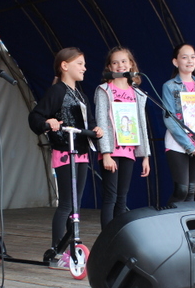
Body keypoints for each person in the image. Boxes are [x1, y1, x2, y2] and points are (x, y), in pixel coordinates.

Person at [28, 47, 103, 269]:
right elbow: (36, 116)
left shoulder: (81, 95)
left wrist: (96, 130)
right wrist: (47, 123)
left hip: (81, 154)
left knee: (76, 206)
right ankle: (56, 251)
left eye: (84, 64)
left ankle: (70, 247)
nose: (84, 68)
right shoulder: (57, 91)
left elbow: (89, 122)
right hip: (64, 153)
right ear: (64, 66)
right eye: (80, 63)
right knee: (66, 205)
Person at [94, 46, 151, 229]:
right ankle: (107, 237)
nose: (120, 65)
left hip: (129, 150)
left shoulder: (137, 93)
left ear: (131, 64)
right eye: (115, 62)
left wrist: (145, 156)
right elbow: (101, 120)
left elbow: (141, 125)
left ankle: (119, 235)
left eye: (124, 61)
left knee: (122, 197)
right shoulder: (104, 90)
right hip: (111, 150)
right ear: (109, 67)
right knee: (110, 196)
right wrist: (106, 153)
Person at [161, 43, 195, 204]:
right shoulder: (169, 86)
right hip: (177, 144)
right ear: (175, 62)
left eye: (193, 57)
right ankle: (169, 217)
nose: (190, 61)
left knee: (191, 190)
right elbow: (169, 118)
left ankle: (186, 221)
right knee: (182, 189)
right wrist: (191, 148)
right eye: (184, 57)